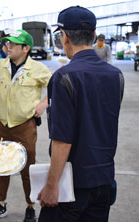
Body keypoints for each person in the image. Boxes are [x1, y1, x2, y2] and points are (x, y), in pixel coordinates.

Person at [38, 6, 124, 222]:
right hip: (104, 180)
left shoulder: (64, 77)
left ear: (64, 37)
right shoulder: (117, 75)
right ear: (95, 36)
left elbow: (62, 140)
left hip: (73, 183)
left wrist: (51, 185)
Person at [0, 29, 52, 222]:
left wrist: (42, 104)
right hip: (1, 125)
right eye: (7, 43)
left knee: (27, 166)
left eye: (13, 44)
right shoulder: (0, 64)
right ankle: (0, 204)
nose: (8, 47)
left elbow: (56, 86)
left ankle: (30, 206)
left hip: (24, 126)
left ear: (26, 48)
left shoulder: (37, 68)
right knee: (0, 165)